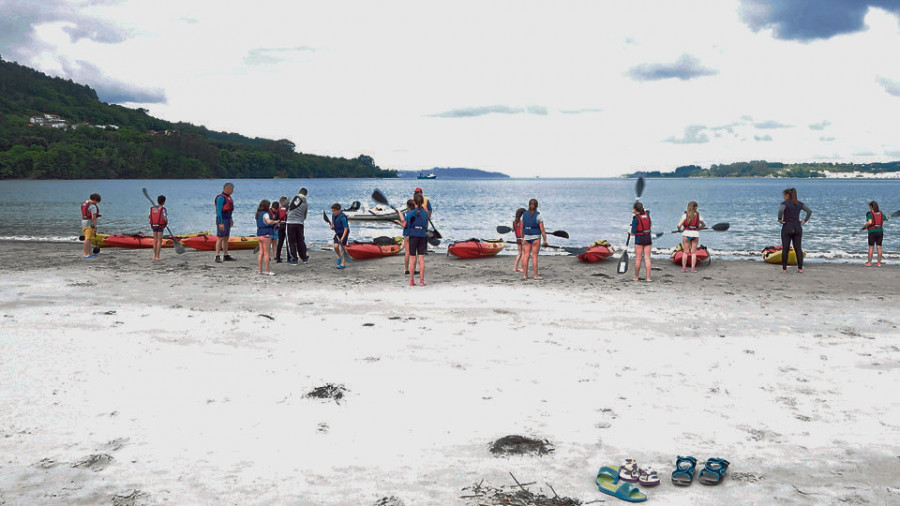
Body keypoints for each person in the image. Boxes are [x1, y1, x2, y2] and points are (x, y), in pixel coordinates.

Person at [777, 188, 812, 273]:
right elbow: (809, 211)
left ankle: (784, 269)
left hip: (787, 227)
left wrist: (779, 219)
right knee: (798, 248)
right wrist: (805, 220)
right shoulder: (799, 204)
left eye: (784, 196)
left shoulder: (784, 203)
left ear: (787, 195)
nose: (784, 197)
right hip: (797, 227)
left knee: (785, 248)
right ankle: (800, 269)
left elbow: (781, 210)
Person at [397, 193, 429, 285]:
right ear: (422, 202)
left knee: (412, 259)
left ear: (414, 201)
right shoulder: (425, 213)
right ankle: (422, 280)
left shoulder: (411, 212)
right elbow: (425, 224)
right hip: (422, 236)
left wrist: (399, 213)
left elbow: (404, 220)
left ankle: (411, 281)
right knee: (421, 259)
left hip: (413, 236)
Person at [520, 199, 548, 280]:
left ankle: (525, 275)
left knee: (526, 256)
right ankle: (535, 276)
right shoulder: (538, 216)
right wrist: (545, 240)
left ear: (529, 205)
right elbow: (542, 230)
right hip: (536, 238)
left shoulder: (523, 215)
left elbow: (521, 228)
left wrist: (522, 237)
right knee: (534, 256)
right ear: (537, 206)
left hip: (526, 237)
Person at [676, 201, 705, 273]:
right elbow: (704, 225)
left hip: (686, 234)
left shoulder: (685, 215)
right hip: (695, 234)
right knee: (693, 252)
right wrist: (699, 228)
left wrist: (680, 230)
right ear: (695, 207)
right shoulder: (698, 215)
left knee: (685, 252)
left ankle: (684, 268)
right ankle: (693, 269)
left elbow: (679, 225)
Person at [630, 202, 652, 282]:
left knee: (638, 259)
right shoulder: (647, 214)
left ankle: (636, 277)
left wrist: (629, 232)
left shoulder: (635, 219)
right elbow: (647, 210)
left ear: (635, 210)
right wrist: (637, 210)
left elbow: (633, 232)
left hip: (639, 239)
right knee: (647, 258)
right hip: (647, 238)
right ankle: (648, 278)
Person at [286, 188, 309, 265]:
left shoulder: (292, 197)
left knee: (291, 241)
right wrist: (301, 220)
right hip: (300, 223)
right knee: (300, 240)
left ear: (298, 192)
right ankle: (304, 257)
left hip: (290, 222)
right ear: (306, 194)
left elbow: (283, 205)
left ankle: (294, 259)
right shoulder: (305, 202)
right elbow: (305, 214)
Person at [255, 200, 277, 276]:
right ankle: (267, 271)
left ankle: (260, 270)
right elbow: (268, 221)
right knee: (267, 253)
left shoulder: (258, 214)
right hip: (266, 235)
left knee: (261, 253)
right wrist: (276, 221)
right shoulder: (265, 214)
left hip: (259, 234)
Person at [215, 182, 235, 263]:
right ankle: (217, 255)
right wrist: (220, 222)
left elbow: (229, 211)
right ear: (227, 189)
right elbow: (219, 211)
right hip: (222, 219)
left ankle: (226, 255)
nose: (232, 191)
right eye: (232, 190)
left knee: (226, 238)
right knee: (220, 238)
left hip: (227, 219)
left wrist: (231, 219)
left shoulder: (228, 197)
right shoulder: (221, 198)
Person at [864, 200, 888, 266]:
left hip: (872, 232)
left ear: (871, 207)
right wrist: (887, 218)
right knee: (879, 247)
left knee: (871, 247)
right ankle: (879, 263)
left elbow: (870, 222)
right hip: (880, 231)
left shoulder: (870, 214)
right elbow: (886, 219)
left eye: (869, 206)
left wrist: (864, 226)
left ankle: (869, 262)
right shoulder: (880, 213)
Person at [396, 199, 416, 275]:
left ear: (407, 206)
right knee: (413, 253)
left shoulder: (407, 213)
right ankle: (412, 269)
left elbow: (404, 224)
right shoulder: (414, 213)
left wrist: (398, 222)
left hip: (407, 234)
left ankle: (406, 269)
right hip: (413, 234)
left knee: (407, 253)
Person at [80, 193, 101, 259]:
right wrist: (95, 226)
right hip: (89, 224)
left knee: (89, 239)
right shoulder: (93, 206)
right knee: (87, 239)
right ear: (95, 200)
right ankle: (86, 254)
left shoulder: (85, 203)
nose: (97, 203)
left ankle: (90, 253)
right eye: (97, 201)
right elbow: (93, 217)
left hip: (84, 222)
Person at [330, 202, 349, 269]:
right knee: (336, 246)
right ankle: (339, 257)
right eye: (332, 211)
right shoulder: (333, 215)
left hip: (344, 233)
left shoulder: (342, 217)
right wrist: (331, 225)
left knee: (343, 249)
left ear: (338, 210)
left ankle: (343, 264)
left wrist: (342, 238)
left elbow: (346, 229)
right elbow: (332, 220)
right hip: (337, 232)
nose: (333, 212)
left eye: (334, 211)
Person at [149, 195, 168, 261]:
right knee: (159, 241)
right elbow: (165, 219)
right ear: (163, 202)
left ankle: (155, 256)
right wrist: (166, 223)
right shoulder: (163, 209)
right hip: (160, 226)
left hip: (154, 225)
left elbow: (149, 217)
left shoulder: (153, 208)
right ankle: (157, 256)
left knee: (155, 240)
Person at [274, 196, 288, 263]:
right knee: (288, 242)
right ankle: (289, 257)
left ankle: (278, 258)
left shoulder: (279, 209)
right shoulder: (288, 209)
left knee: (280, 242)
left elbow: (276, 218)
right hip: (286, 225)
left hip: (281, 226)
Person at [513, 207, 526, 272]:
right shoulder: (521, 222)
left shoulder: (514, 222)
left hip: (517, 239)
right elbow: (521, 231)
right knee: (523, 254)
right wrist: (523, 238)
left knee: (519, 253)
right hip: (522, 239)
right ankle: (522, 268)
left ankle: (515, 268)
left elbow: (515, 230)